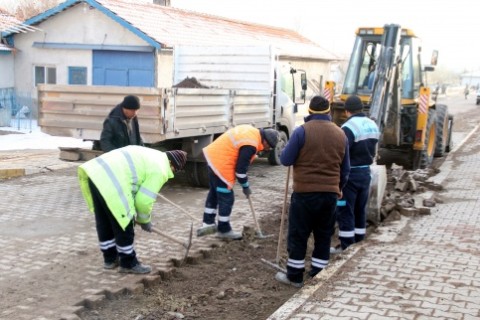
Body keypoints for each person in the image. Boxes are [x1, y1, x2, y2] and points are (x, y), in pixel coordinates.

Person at [275, 96, 350, 288]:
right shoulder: (341, 134)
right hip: (330, 195)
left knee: (299, 235)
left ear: (309, 112)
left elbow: (285, 160)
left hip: (304, 194)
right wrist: (339, 189)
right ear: (328, 112)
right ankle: (318, 274)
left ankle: (295, 277)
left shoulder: (302, 131)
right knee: (324, 235)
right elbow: (345, 169)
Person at [78, 145, 188, 274]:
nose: (173, 172)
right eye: (175, 169)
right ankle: (128, 263)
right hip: (113, 180)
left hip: (95, 174)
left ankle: (110, 259)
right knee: (124, 222)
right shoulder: (161, 169)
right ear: (171, 163)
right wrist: (144, 220)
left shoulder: (154, 155)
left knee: (105, 222)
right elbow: (143, 201)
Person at [196, 124, 279, 240]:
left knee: (214, 193)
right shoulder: (251, 144)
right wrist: (246, 186)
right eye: (268, 147)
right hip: (222, 164)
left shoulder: (252, 132)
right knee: (227, 197)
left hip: (213, 158)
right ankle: (223, 230)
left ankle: (208, 223)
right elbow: (240, 171)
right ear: (265, 141)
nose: (267, 149)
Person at [331, 95, 380, 254]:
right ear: (361, 108)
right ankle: (359, 241)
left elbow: (341, 152)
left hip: (351, 174)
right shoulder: (372, 125)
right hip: (366, 172)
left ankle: (346, 247)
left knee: (346, 210)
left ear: (347, 111)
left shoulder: (348, 127)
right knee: (360, 209)